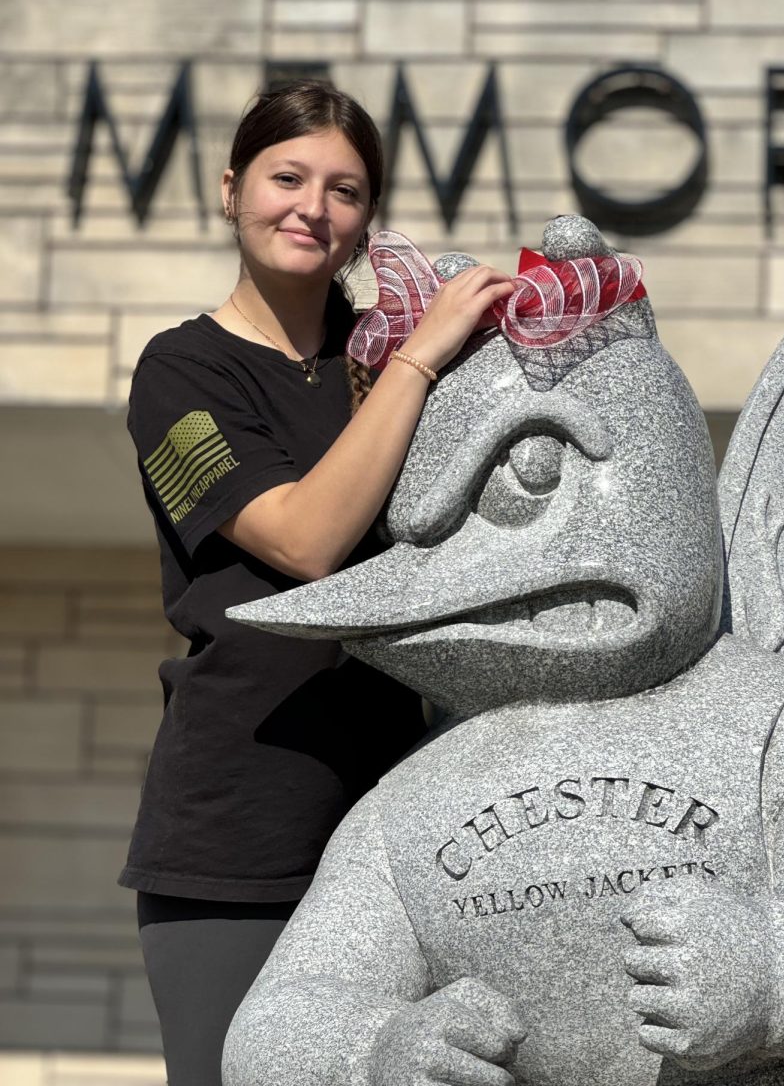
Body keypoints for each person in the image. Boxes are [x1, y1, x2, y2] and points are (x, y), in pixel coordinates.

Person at [119, 79, 514, 1086]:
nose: (313, 207)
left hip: (395, 823)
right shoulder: (181, 374)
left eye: (345, 189)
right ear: (230, 189)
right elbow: (304, 540)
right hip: (235, 829)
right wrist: (424, 360)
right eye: (286, 177)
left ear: (367, 218)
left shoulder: (383, 360)